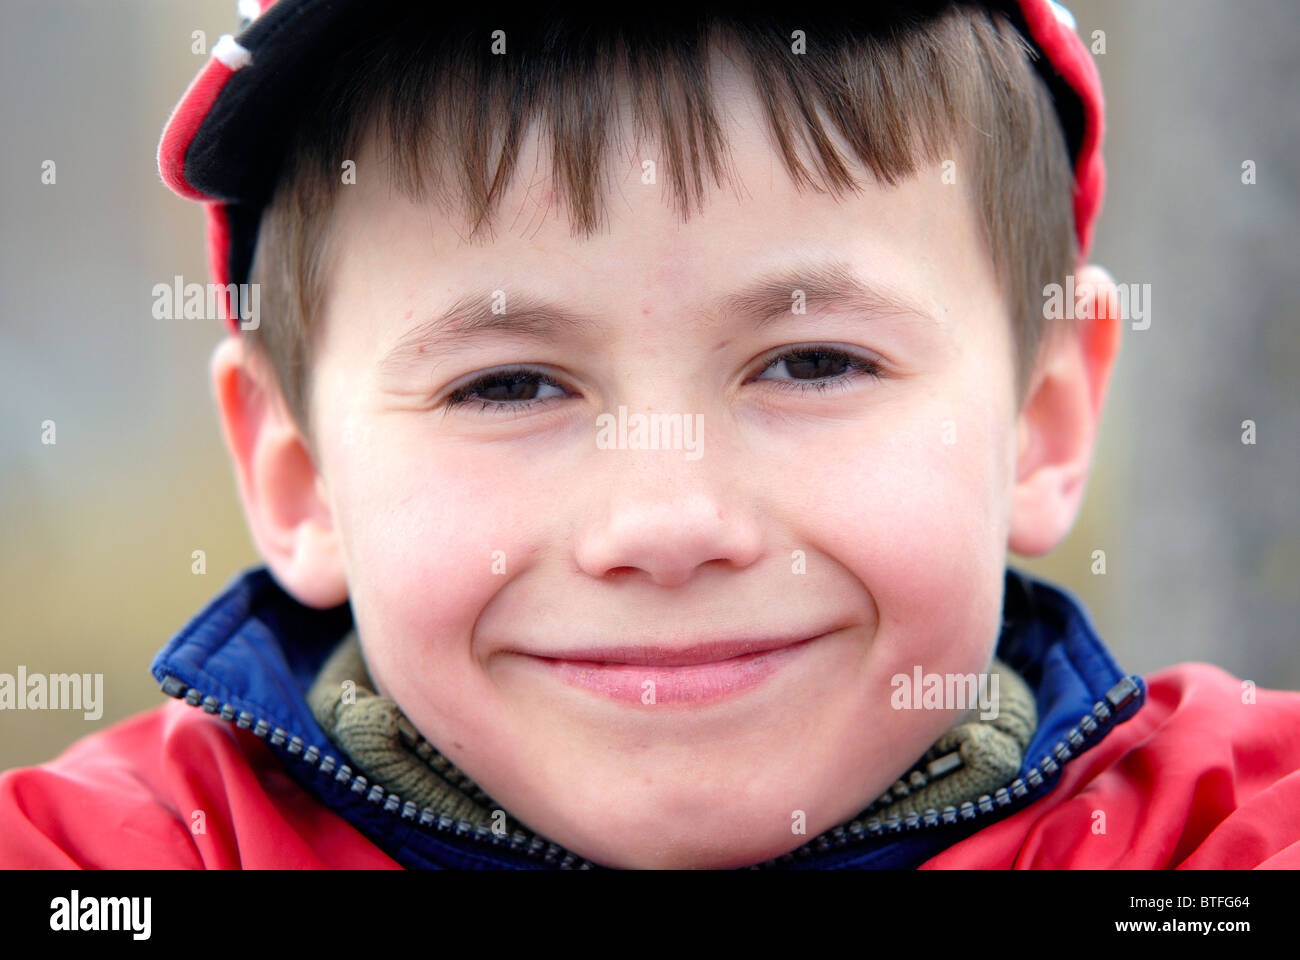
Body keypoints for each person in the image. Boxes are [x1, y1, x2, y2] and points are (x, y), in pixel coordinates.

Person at [3, 0, 1297, 869]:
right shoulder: (122, 859)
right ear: (300, 482)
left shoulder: (1212, 840)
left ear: (1042, 421)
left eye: (812, 361)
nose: (668, 524)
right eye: (509, 385)